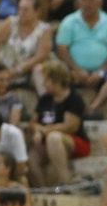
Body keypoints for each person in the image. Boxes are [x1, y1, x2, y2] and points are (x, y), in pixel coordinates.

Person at [56, 0, 107, 117]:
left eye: (91, 0)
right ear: (79, 2)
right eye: (84, 0)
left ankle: (94, 106)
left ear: (99, 2)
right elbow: (62, 48)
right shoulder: (69, 21)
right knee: (57, 70)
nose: (87, 4)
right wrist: (76, 69)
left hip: (103, 71)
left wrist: (101, 71)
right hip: (74, 70)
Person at [28, 59, 88, 187]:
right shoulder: (45, 99)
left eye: (46, 80)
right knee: (32, 156)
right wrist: (38, 131)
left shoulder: (73, 98)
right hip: (47, 137)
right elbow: (33, 122)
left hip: (74, 140)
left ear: (56, 79)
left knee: (53, 138)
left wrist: (46, 130)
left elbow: (71, 126)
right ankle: (43, 188)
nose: (44, 84)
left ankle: (66, 181)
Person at [0, 0, 52, 91]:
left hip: (27, 72)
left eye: (25, 10)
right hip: (5, 69)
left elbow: (41, 56)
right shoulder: (11, 23)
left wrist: (17, 70)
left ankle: (45, 102)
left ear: (37, 11)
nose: (21, 13)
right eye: (19, 9)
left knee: (40, 69)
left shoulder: (44, 29)